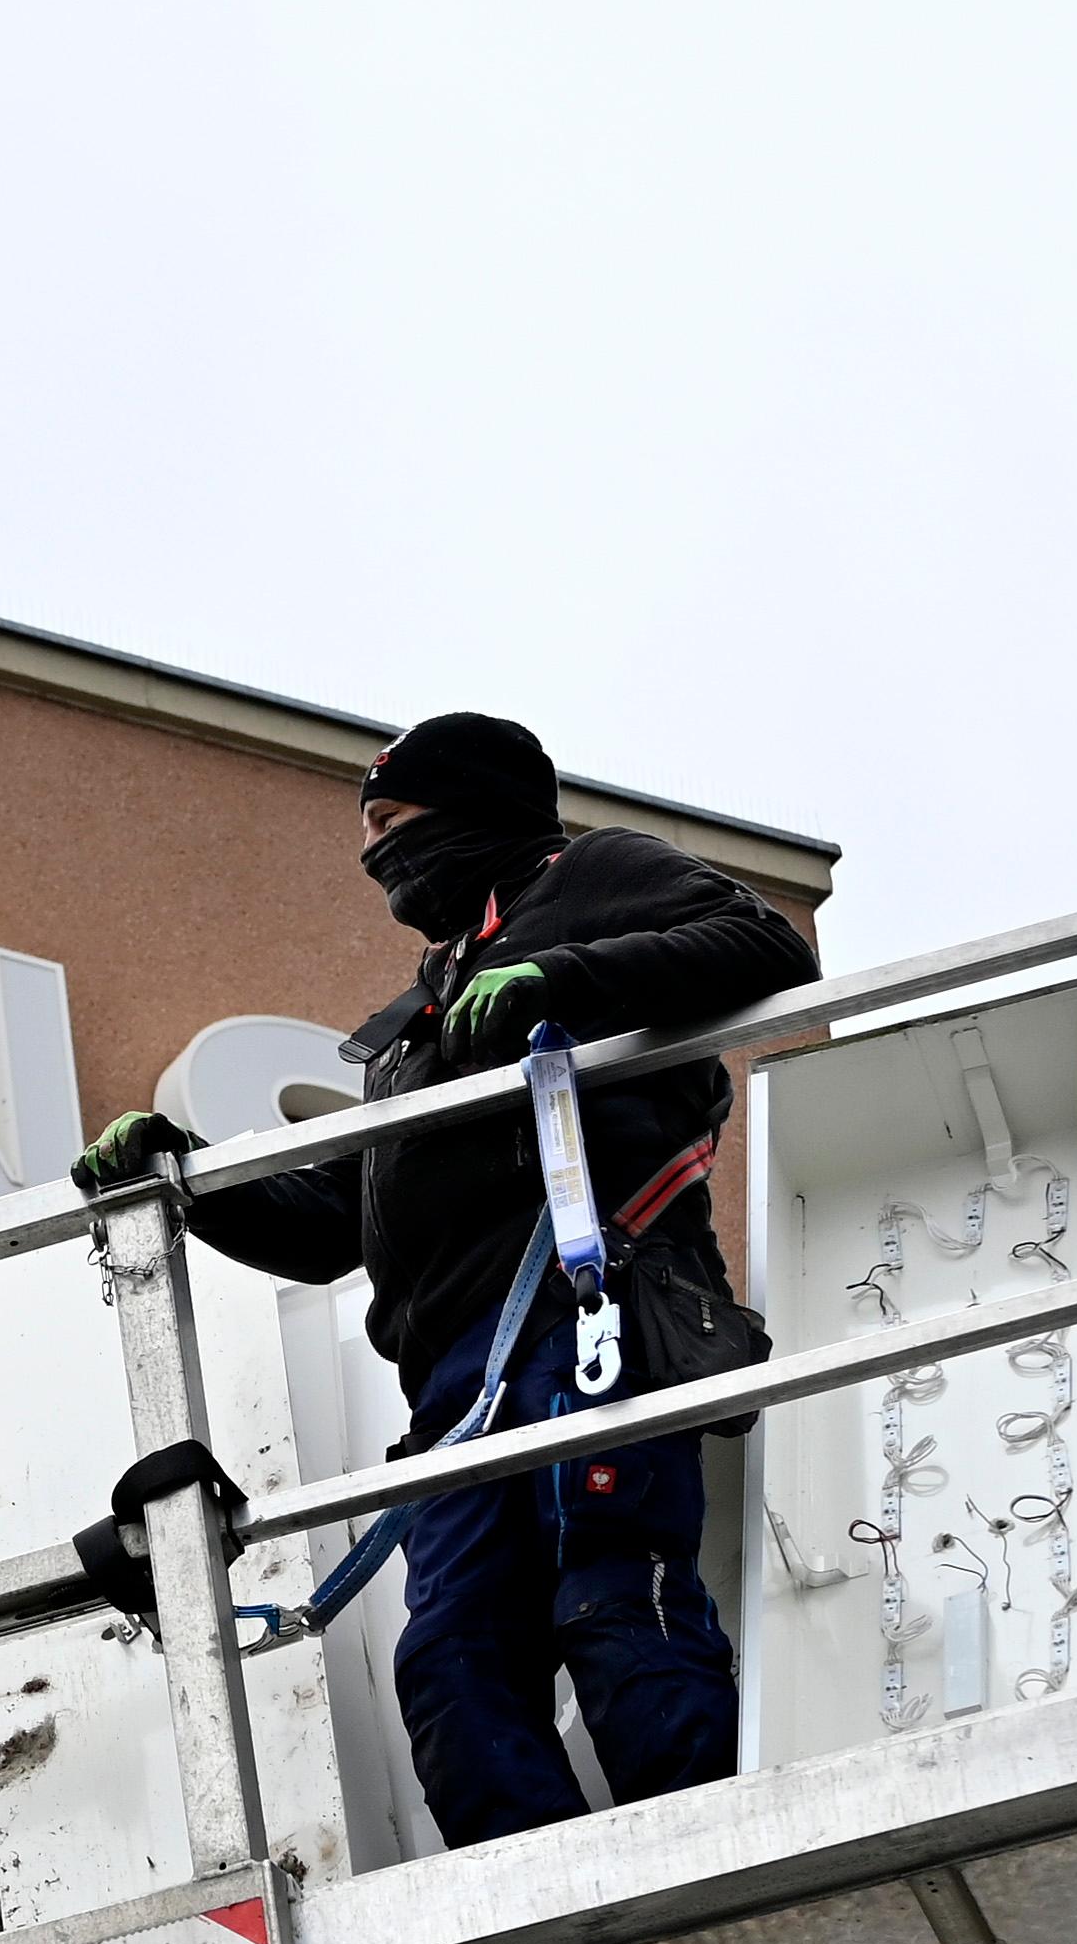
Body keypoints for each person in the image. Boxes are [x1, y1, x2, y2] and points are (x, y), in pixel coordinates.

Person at [84, 713, 813, 1847]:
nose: (378, 851)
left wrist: (560, 978)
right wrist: (183, 1176)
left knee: (612, 1594)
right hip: (453, 1395)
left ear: (478, 806)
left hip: (590, 1318)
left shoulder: (595, 877)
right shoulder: (415, 1029)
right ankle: (542, 1899)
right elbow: (336, 1226)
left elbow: (767, 946)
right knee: (451, 1657)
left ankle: (716, 1856)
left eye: (395, 820)